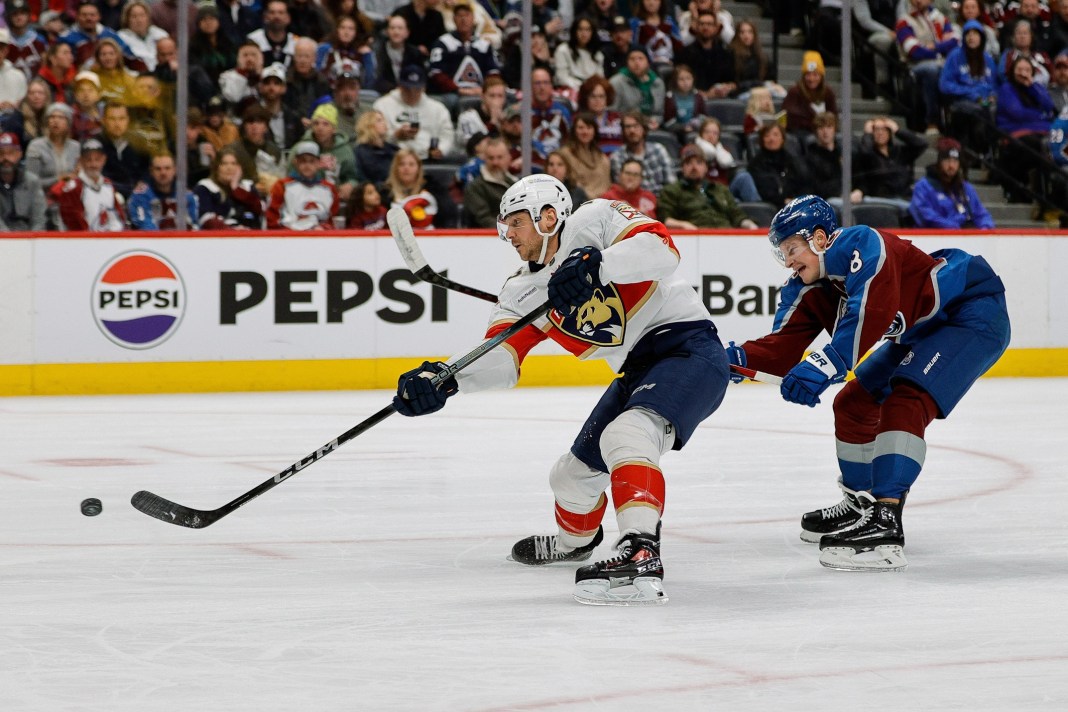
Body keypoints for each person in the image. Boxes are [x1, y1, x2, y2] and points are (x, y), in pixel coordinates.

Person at [391, 174, 730, 605]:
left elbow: (663, 249)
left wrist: (597, 264)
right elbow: (504, 357)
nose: (508, 234)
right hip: (635, 370)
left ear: (548, 216)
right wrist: (449, 378)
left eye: (515, 223)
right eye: (505, 225)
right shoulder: (520, 291)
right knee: (570, 477)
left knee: (627, 436)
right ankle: (575, 543)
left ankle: (641, 549)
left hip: (686, 345)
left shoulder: (596, 218)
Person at [724, 195, 1010, 571]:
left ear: (821, 238)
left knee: (906, 400)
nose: (789, 261)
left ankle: (886, 522)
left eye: (792, 248)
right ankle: (863, 504)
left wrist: (825, 364)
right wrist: (726, 359)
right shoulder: (806, 286)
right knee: (854, 403)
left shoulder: (862, 243)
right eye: (782, 253)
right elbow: (779, 348)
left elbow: (867, 313)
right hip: (922, 331)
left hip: (970, 314)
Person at [996, 55, 1056, 202]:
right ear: (1012, 71)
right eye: (1020, 69)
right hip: (1015, 133)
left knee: (1057, 145)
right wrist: (1040, 115)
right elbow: (1017, 113)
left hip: (1041, 131)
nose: (1023, 73)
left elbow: (1049, 108)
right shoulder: (1006, 88)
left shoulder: (1036, 88)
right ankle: (1040, 194)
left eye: (1027, 69)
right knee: (1039, 147)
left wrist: (1033, 87)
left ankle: (1049, 193)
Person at [896, 0, 959, 134]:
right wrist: (939, 50)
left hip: (942, 63)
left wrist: (933, 47)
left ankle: (955, 122)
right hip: (914, 66)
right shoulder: (904, 21)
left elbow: (954, 42)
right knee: (931, 70)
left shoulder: (940, 18)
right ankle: (932, 121)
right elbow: (914, 51)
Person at [659, 144, 757, 229]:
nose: (694, 167)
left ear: (706, 167)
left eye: (699, 162)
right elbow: (665, 219)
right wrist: (683, 225)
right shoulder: (672, 191)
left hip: (725, 236)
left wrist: (750, 225)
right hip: (693, 237)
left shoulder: (720, 189)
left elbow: (737, 215)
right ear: (682, 168)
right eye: (688, 163)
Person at [939, 19, 998, 156]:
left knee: (994, 111)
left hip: (985, 102)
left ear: (982, 38)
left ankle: (986, 154)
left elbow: (995, 85)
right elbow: (945, 85)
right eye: (968, 34)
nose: (971, 37)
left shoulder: (987, 59)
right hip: (962, 101)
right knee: (978, 112)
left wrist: (993, 95)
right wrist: (971, 93)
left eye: (975, 34)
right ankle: (972, 153)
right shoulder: (955, 56)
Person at [372, 64, 455, 161]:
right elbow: (374, 136)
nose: (412, 93)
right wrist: (395, 136)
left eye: (417, 89)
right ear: (400, 86)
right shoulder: (382, 105)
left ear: (424, 88)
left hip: (429, 159)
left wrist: (441, 149)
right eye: (407, 89)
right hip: (393, 158)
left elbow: (447, 134)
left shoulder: (438, 108)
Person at [909, 137, 995, 228]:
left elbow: (981, 214)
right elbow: (925, 216)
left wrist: (985, 228)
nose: (951, 165)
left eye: (955, 161)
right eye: (947, 160)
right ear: (939, 162)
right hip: (936, 238)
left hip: (964, 237)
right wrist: (954, 228)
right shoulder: (924, 186)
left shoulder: (965, 188)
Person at [50, 137, 126, 231]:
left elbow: (118, 217)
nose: (93, 164)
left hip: (109, 240)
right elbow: (74, 225)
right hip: (83, 242)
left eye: (97, 159)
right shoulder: (73, 189)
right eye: (88, 160)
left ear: (104, 160)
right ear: (81, 161)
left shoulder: (108, 185)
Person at [267, 140, 339, 230]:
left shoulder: (329, 189)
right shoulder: (282, 186)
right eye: (303, 161)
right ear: (295, 162)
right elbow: (272, 220)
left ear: (318, 163)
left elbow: (333, 220)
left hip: (321, 239)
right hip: (290, 239)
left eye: (312, 161)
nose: (307, 165)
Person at [379, 147, 458, 228]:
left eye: (411, 164)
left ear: (419, 168)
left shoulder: (434, 188)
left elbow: (448, 214)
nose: (406, 168)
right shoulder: (385, 192)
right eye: (401, 164)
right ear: (395, 168)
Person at [194, 145, 264, 229]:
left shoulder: (247, 186)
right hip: (221, 238)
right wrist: (233, 231)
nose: (229, 168)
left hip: (253, 236)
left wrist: (236, 189)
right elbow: (206, 219)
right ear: (217, 168)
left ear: (240, 168)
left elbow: (259, 209)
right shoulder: (205, 187)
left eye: (234, 163)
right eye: (224, 164)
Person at [608, 110, 674, 194]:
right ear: (623, 131)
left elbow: (671, 183)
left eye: (636, 126)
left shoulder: (659, 150)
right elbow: (622, 191)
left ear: (644, 128)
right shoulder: (617, 157)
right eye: (627, 127)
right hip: (633, 204)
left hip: (663, 202)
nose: (632, 130)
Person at [128, 152, 198, 230]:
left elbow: (194, 225)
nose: (163, 173)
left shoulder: (187, 195)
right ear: (151, 171)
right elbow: (145, 227)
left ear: (174, 170)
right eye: (158, 169)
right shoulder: (140, 196)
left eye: (167, 168)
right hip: (151, 241)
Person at [747, 122, 809, 208]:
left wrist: (796, 200)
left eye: (776, 135)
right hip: (771, 206)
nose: (771, 139)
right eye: (767, 135)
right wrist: (782, 200)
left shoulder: (792, 160)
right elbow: (764, 190)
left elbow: (803, 183)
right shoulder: (756, 163)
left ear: (782, 139)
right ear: (762, 140)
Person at [677, 10, 735, 100]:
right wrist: (706, 94)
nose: (705, 27)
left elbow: (733, 82)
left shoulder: (725, 54)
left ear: (716, 28)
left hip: (721, 99)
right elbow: (679, 81)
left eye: (709, 24)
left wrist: (727, 87)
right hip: (693, 98)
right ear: (696, 27)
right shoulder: (684, 54)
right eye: (702, 24)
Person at [98, 102, 151, 198]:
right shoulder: (96, 144)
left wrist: (143, 184)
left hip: (138, 195)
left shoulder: (140, 143)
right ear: (104, 120)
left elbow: (148, 170)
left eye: (121, 119)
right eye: (112, 119)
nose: (117, 124)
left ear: (128, 120)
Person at [24, 102, 80, 194]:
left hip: (69, 197)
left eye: (61, 117)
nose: (55, 121)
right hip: (43, 197)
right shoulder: (36, 146)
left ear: (68, 123)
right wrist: (58, 180)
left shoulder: (76, 147)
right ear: (47, 122)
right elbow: (30, 182)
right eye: (52, 117)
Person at [462, 135, 517, 227]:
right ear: (484, 159)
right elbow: (483, 219)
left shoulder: (515, 183)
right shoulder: (475, 187)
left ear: (508, 158)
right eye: (491, 158)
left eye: (499, 157)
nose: (495, 162)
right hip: (488, 237)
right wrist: (510, 229)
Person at [782, 51, 838, 138]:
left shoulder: (828, 92)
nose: (811, 79)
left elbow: (833, 115)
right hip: (801, 133)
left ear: (821, 76)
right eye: (808, 75)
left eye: (815, 75)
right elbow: (791, 118)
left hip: (824, 131)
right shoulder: (795, 92)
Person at [559, 111, 612, 199]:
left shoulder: (602, 158)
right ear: (574, 130)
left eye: (589, 128)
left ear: (594, 131)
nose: (585, 132)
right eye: (581, 128)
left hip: (604, 202)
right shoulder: (565, 154)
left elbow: (607, 184)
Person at [0, 131, 47, 231]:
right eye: (1, 153)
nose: (5, 158)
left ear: (19, 154)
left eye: (10, 153)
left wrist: (32, 239)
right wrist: (12, 241)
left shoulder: (32, 181)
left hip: (30, 238)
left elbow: (39, 218)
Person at [609, 47, 665, 129]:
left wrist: (655, 121)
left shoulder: (657, 83)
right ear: (627, 63)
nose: (636, 62)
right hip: (625, 127)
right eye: (632, 59)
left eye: (640, 58)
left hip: (651, 127)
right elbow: (612, 112)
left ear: (648, 62)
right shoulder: (616, 83)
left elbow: (659, 113)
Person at [554, 16, 604, 91]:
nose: (584, 34)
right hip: (570, 90)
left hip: (592, 92)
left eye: (588, 30)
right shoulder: (563, 50)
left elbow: (600, 78)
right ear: (574, 31)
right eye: (580, 29)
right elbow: (562, 78)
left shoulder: (597, 54)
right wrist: (582, 88)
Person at [354, 108, 398, 184]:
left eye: (383, 120)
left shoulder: (394, 149)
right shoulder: (359, 152)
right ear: (368, 125)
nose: (384, 123)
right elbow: (360, 178)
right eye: (379, 120)